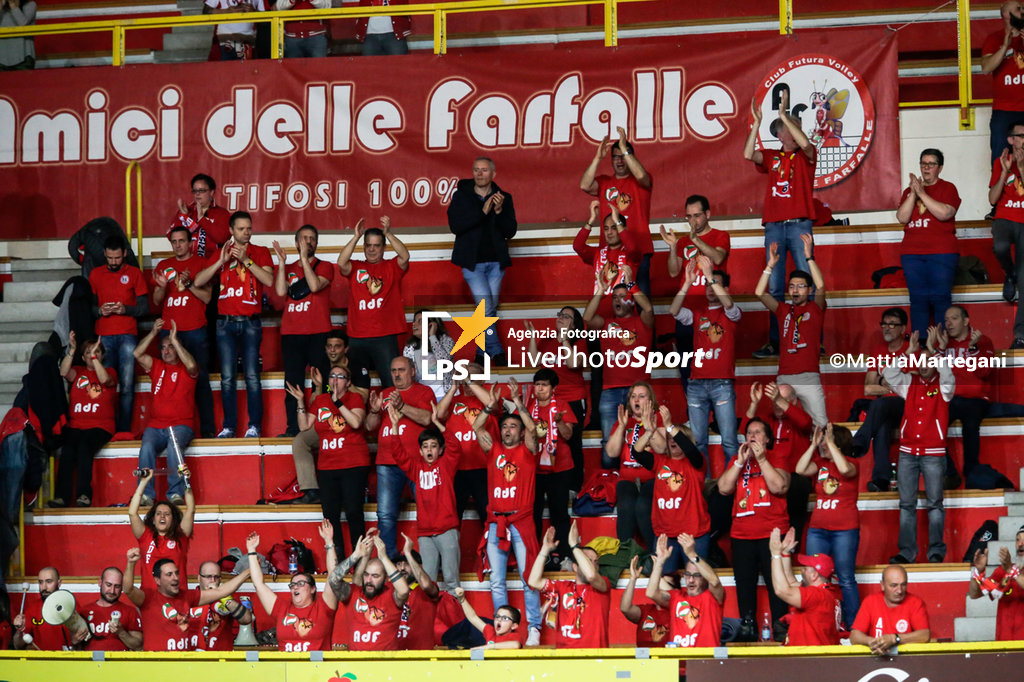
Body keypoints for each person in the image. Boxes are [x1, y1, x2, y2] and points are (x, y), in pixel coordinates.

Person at [744, 88, 817, 358]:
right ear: (780, 134)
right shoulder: (773, 156)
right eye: (790, 127)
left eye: (797, 127)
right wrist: (757, 123)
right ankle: (777, 341)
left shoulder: (806, 155)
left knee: (807, 283)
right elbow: (748, 154)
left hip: (799, 225)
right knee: (775, 286)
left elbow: (807, 144)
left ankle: (810, 338)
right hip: (774, 225)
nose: (797, 131)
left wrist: (785, 115)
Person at [472, 381, 542, 646]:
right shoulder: (494, 449)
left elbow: (534, 429)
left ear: (521, 431)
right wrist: (490, 407)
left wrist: (520, 404)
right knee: (497, 582)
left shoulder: (528, 450)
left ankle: (534, 627)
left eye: (513, 426)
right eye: (504, 426)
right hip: (496, 522)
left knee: (529, 579)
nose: (507, 430)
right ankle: (501, 631)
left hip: (521, 521)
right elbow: (477, 427)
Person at [195, 211, 274, 438]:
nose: (246, 232)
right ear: (231, 231)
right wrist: (221, 261)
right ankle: (229, 427)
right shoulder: (222, 253)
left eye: (248, 228)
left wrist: (245, 260)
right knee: (227, 378)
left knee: (252, 377)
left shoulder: (260, 252)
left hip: (250, 322)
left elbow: (269, 280)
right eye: (241, 228)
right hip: (225, 324)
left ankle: (254, 427)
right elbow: (199, 281)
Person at [883, 329, 955, 564]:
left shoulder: (944, 387)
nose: (924, 365)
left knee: (935, 504)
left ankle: (936, 552)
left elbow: (948, 375)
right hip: (907, 453)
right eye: (921, 361)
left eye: (929, 361)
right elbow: (888, 373)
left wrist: (934, 351)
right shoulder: (909, 383)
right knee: (906, 504)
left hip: (933, 453)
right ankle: (907, 553)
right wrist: (908, 351)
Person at [717, 417, 790, 640]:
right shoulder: (736, 460)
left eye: (758, 432)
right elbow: (722, 489)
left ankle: (780, 626)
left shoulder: (777, 456)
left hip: (773, 533)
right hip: (742, 533)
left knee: (777, 583)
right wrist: (739, 463)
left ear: (767, 439)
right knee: (745, 586)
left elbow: (780, 486)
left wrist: (762, 460)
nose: (752, 436)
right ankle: (747, 629)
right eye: (749, 432)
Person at [286, 364, 368, 556]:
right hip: (327, 466)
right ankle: (337, 558)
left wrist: (338, 402)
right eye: (332, 376)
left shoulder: (355, 398)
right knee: (330, 516)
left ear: (348, 382)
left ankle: (360, 557)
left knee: (354, 512)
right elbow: (305, 425)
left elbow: (356, 422)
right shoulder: (321, 400)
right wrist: (300, 402)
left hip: (353, 464)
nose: (335, 380)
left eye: (340, 376)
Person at [669, 255, 740, 469]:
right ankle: (703, 487)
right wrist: (687, 283)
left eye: (715, 284)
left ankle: (733, 489)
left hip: (722, 385)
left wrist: (710, 275)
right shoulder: (698, 315)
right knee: (698, 443)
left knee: (729, 442)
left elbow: (728, 303)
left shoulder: (732, 313)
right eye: (708, 284)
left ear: (725, 287)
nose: (710, 287)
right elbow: (673, 311)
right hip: (696, 384)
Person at [288, 331, 371, 505]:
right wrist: (318, 387)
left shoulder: (357, 366)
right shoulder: (320, 366)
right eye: (329, 346)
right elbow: (314, 404)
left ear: (345, 348)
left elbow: (363, 398)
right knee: (300, 440)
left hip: (350, 425)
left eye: (337, 346)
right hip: (327, 424)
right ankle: (311, 490)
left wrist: (343, 382)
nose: (332, 350)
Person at [447, 157, 517, 363]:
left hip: (496, 262)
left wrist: (498, 212)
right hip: (472, 263)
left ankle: (480, 352)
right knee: (486, 307)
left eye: (484, 170)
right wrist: (482, 212)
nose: (479, 173)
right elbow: (455, 226)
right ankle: (496, 351)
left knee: (489, 308)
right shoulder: (461, 197)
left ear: (493, 174)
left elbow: (510, 231)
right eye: (476, 169)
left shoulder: (504, 198)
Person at [365, 356, 435, 557]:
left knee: (428, 511)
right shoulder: (385, 393)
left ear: (412, 371)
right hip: (387, 462)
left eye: (401, 370)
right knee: (385, 515)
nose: (396, 374)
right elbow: (370, 426)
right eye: (394, 370)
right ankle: (386, 562)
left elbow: (428, 419)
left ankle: (428, 558)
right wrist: (374, 411)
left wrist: (402, 406)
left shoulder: (424, 391)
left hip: (418, 462)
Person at [754, 233, 828, 425]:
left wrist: (809, 257)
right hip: (784, 377)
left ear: (809, 290)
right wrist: (770, 266)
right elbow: (759, 292)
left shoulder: (815, 308)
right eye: (792, 286)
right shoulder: (783, 309)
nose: (795, 290)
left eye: (801, 286)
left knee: (819, 425)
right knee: (783, 425)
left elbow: (821, 286)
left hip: (809, 377)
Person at [388, 403, 461, 594]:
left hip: (447, 530)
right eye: (425, 446)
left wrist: (437, 423)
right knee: (427, 581)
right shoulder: (416, 468)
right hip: (425, 533)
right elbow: (398, 454)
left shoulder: (446, 465)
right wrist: (395, 427)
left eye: (434, 446)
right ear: (420, 451)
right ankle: (430, 622)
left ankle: (455, 620)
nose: (429, 450)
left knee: (452, 580)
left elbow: (455, 445)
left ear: (440, 450)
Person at [584, 280, 655, 469]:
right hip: (610, 392)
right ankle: (609, 483)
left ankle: (640, 479)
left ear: (632, 300)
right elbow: (588, 317)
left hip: (639, 392)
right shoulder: (606, 324)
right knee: (609, 441)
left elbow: (647, 309)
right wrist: (600, 290)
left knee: (644, 436)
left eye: (623, 296)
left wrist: (633, 287)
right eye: (615, 297)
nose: (618, 300)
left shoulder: (642, 321)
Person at [662, 195, 731, 388]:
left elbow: (717, 258)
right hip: (688, 312)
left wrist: (696, 241)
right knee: (686, 365)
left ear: (708, 214)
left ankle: (714, 416)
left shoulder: (720, 235)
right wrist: (674, 246)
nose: (693, 221)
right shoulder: (684, 242)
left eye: (697, 215)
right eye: (689, 216)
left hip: (713, 313)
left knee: (713, 364)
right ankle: (692, 416)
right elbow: (673, 271)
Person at [794, 424, 860, 629]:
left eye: (825, 440)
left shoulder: (852, 463)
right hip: (818, 531)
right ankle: (820, 622)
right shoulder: (820, 464)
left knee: (846, 577)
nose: (822, 444)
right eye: (822, 440)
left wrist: (831, 443)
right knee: (815, 577)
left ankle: (853, 626)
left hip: (845, 530)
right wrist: (813, 445)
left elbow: (844, 470)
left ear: (837, 441)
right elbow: (799, 469)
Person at [153, 226, 216, 438]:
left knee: (201, 381)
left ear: (190, 242)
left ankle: (207, 433)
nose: (178, 245)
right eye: (174, 242)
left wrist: (187, 284)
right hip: (169, 331)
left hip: (195, 330)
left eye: (181, 241)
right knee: (169, 384)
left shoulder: (201, 263)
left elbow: (207, 298)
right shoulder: (164, 265)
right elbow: (156, 300)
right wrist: (162, 287)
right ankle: (167, 428)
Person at [274, 224, 335, 437]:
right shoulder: (288, 267)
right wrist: (282, 264)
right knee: (292, 383)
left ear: (317, 243)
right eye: (304, 238)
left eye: (312, 239)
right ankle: (293, 428)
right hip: (291, 333)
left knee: (324, 381)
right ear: (296, 242)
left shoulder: (325, 265)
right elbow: (281, 291)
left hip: (319, 332)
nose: (308, 242)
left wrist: (303, 260)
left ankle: (325, 424)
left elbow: (315, 285)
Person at [123, 549, 249, 652]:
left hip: (184, 665)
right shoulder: (148, 598)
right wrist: (131, 563)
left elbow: (220, 592)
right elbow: (128, 589)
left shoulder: (187, 596)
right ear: (157, 580)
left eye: (177, 573)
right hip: (158, 666)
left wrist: (248, 572)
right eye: (169, 574)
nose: (176, 578)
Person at [631, 405, 710, 566]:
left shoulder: (696, 462)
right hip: (665, 535)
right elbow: (637, 453)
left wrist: (669, 426)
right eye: (669, 438)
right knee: (664, 580)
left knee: (696, 577)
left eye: (676, 437)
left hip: (694, 534)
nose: (672, 440)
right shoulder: (661, 461)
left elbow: (690, 449)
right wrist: (649, 432)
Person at [580, 126, 654, 295]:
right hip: (610, 251)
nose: (620, 161)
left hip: (638, 251)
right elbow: (584, 185)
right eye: (615, 158)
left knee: (640, 302)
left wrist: (625, 150)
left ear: (631, 158)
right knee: (611, 301)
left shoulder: (641, 180)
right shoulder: (605, 182)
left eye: (623, 157)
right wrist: (598, 157)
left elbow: (642, 177)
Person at [132, 320, 200, 505]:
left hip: (180, 424)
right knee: (146, 447)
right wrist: (154, 332)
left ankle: (176, 494)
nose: (167, 351)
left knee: (174, 446)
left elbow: (193, 366)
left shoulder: (186, 368)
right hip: (156, 425)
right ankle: (146, 495)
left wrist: (174, 340)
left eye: (170, 347)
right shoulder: (156, 366)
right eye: (163, 348)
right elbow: (137, 353)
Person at [338, 217, 410, 389]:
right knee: (356, 386)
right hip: (357, 336)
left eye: (376, 245)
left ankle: (390, 416)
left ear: (384, 247)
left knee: (390, 384)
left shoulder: (392, 267)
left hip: (384, 336)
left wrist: (389, 234)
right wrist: (355, 237)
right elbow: (341, 262)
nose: (371, 249)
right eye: (368, 245)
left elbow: (405, 256)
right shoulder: (355, 267)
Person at [896, 149, 961, 337]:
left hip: (942, 252)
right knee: (918, 300)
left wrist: (921, 193)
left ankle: (942, 344)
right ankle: (921, 345)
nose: (926, 168)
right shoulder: (909, 192)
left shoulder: (948, 188)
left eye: (931, 164)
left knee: (941, 298)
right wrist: (913, 194)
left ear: (939, 168)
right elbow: (902, 217)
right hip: (912, 253)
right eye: (923, 163)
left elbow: (945, 213)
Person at [89, 235, 149, 435]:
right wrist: (99, 311)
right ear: (104, 255)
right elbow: (88, 307)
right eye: (110, 258)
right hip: (103, 336)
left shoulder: (134, 273)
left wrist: (126, 310)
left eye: (117, 258)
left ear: (124, 254)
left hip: (127, 335)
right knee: (105, 385)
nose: (114, 262)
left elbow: (144, 307)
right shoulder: (95, 274)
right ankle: (106, 429)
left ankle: (123, 431)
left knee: (126, 385)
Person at [247, 522, 338, 652]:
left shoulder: (323, 608)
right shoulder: (281, 609)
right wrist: (251, 551)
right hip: (286, 670)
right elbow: (258, 584)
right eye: (293, 585)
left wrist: (329, 542)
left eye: (301, 584)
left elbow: (334, 577)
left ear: (313, 589)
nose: (295, 588)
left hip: (317, 670)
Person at [931, 305, 995, 486]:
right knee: (932, 424)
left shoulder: (983, 341)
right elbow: (933, 374)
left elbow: (984, 372)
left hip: (975, 400)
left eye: (954, 318)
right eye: (946, 319)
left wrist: (973, 348)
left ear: (966, 321)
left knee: (970, 420)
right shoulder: (944, 343)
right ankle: (950, 473)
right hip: (950, 399)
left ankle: (972, 470)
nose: (948, 323)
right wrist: (940, 349)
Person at [526, 307, 588, 489]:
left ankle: (575, 487)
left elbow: (573, 363)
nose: (561, 318)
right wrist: (532, 337)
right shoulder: (547, 340)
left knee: (572, 443)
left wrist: (565, 341)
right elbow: (534, 361)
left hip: (572, 399)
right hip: (548, 400)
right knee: (544, 439)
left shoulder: (580, 342)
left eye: (566, 316)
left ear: (574, 323)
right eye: (560, 315)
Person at [52, 333, 115, 507]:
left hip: (100, 427)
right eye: (87, 352)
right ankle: (62, 497)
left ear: (102, 355)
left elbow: (104, 380)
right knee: (68, 450)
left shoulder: (110, 372)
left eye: (96, 352)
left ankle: (84, 495)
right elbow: (63, 372)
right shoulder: (79, 372)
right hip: (76, 425)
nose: (92, 354)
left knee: (84, 447)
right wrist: (71, 349)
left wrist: (94, 357)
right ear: (82, 357)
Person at [851, 308, 909, 492]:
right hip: (884, 408)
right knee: (882, 425)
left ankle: (859, 441)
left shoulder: (911, 350)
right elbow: (868, 388)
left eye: (892, 324)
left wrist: (882, 381)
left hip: (907, 406)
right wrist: (892, 384)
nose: (887, 328)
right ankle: (881, 479)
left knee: (879, 403)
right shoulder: (878, 351)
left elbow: (909, 389)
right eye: (884, 323)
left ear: (903, 328)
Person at [528, 521, 611, 648]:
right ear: (575, 567)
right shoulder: (562, 587)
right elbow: (534, 581)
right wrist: (545, 549)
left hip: (595, 659)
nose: (593, 565)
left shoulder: (603, 583)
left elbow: (591, 575)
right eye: (588, 561)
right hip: (565, 658)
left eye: (596, 562)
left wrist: (574, 545)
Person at [606, 383, 666, 551]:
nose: (637, 400)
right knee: (626, 505)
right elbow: (611, 452)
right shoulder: (624, 421)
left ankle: (654, 552)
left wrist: (649, 427)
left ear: (651, 400)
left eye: (642, 396)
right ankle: (625, 553)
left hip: (653, 477)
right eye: (633, 396)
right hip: (627, 478)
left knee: (643, 506)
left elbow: (662, 448)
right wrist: (621, 426)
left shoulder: (658, 419)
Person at [435, 364, 495, 531]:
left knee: (488, 515)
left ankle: (490, 555)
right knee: (453, 517)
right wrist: (454, 387)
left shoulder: (490, 397)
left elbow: (492, 403)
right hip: (457, 468)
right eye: (465, 376)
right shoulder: (454, 400)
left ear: (482, 378)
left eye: (473, 376)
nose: (467, 380)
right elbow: (438, 414)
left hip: (484, 467)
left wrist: (469, 380)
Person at [527, 368, 576, 568]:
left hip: (560, 468)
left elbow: (568, 435)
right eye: (537, 384)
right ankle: (536, 555)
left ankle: (563, 555)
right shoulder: (529, 407)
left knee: (559, 514)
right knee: (533, 514)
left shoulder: (562, 406)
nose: (540, 388)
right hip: (534, 469)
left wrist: (559, 421)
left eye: (544, 385)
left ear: (553, 388)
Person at [329, 532, 410, 651]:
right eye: (366, 575)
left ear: (386, 578)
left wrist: (384, 557)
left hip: (385, 665)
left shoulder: (391, 595)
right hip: (356, 665)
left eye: (375, 576)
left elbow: (404, 591)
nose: (369, 580)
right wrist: (356, 555)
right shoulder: (354, 593)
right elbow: (333, 580)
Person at [646, 532, 725, 648]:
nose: (691, 580)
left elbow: (714, 581)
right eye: (687, 575)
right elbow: (651, 593)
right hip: (679, 663)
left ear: (704, 577)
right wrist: (660, 562)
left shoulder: (712, 597)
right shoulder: (676, 597)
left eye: (696, 575)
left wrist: (692, 554)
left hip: (705, 662)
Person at [768, 528, 841, 646]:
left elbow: (782, 590)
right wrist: (785, 553)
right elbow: (790, 583)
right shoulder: (827, 592)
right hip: (814, 657)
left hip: (809, 660)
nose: (802, 570)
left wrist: (775, 555)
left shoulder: (817, 595)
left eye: (805, 568)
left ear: (814, 575)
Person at [128, 470, 196, 588]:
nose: (162, 516)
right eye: (158, 513)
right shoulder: (145, 536)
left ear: (173, 519)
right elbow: (132, 512)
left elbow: (190, 510)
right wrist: (143, 482)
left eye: (167, 514)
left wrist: (186, 481)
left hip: (177, 598)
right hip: (150, 600)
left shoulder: (181, 536)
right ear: (153, 519)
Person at [991, 120, 1024, 346]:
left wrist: (1021, 167)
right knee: (1000, 247)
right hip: (1004, 218)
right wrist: (1004, 172)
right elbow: (992, 199)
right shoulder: (1000, 161)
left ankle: (1020, 336)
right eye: (1021, 136)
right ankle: (1009, 273)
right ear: (1011, 139)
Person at [851, 565, 930, 654]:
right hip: (875, 657)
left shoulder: (915, 603)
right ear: (882, 585)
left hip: (906, 659)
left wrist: (894, 639)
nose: (899, 590)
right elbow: (854, 636)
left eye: (903, 585)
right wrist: (872, 642)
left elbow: (925, 635)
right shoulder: (870, 601)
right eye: (894, 585)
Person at [981, 2, 1024, 164]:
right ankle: (998, 187)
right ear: (1006, 14)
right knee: (1000, 156)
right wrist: (1005, 47)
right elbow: (986, 68)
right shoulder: (995, 38)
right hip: (1004, 109)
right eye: (1019, 9)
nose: (1023, 12)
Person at [573, 199, 642, 298]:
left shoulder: (630, 254)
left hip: (624, 309)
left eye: (614, 228)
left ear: (622, 229)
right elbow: (578, 246)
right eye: (606, 228)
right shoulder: (597, 253)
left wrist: (617, 221)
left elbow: (633, 248)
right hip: (598, 308)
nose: (609, 232)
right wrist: (592, 219)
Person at [969, 527, 1024, 639]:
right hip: (1005, 642)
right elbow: (974, 594)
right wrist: (978, 571)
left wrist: (1011, 571)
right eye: (1018, 540)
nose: (1020, 544)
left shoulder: (1008, 569)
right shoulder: (1003, 570)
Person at [393, 533, 441, 650]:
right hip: (393, 653)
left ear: (418, 565)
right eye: (399, 564)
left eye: (407, 563)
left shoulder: (426, 589)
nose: (402, 568)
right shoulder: (389, 590)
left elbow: (425, 584)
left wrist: (408, 553)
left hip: (420, 655)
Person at [13, 567, 80, 650]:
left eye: (49, 582)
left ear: (59, 583)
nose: (44, 587)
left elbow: (82, 640)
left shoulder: (71, 604)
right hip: (41, 661)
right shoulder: (32, 609)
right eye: (40, 582)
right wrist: (19, 630)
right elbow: (17, 645)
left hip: (68, 659)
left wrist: (76, 641)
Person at [169, 173, 231, 259]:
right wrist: (183, 218)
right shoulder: (187, 211)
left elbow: (221, 238)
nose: (197, 194)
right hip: (189, 265)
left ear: (211, 192)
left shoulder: (221, 213)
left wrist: (202, 219)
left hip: (213, 266)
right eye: (195, 191)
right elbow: (171, 237)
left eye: (201, 191)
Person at [81, 567, 143, 651]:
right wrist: (75, 639)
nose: (112, 591)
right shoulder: (84, 611)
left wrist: (121, 633)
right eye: (108, 585)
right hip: (89, 662)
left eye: (117, 586)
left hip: (120, 663)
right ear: (100, 582)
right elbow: (74, 645)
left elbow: (138, 646)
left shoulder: (130, 611)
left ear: (122, 587)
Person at [197, 560, 253, 650]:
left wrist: (223, 596)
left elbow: (246, 619)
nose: (212, 580)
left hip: (223, 658)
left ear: (220, 579)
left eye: (216, 577)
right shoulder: (191, 598)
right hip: (195, 658)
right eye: (208, 577)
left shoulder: (228, 597)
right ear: (199, 578)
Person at [404, 309, 455, 400]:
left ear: (431, 325)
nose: (414, 324)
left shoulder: (446, 341)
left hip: (445, 394)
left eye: (420, 321)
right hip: (423, 395)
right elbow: (409, 374)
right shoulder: (410, 347)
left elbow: (445, 363)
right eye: (414, 321)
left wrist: (432, 336)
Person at [621, 555, 670, 648]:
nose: (656, 586)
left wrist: (657, 571)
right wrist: (633, 578)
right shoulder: (646, 610)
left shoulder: (676, 610)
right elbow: (625, 608)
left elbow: (657, 593)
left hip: (669, 661)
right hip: (644, 660)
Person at [453, 587, 521, 649]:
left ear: (513, 626)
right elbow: (473, 617)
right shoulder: (490, 631)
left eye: (505, 618)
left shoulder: (514, 636)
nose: (499, 620)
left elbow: (515, 645)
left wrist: (488, 647)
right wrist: (462, 599)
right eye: (497, 617)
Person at [0, 0, 36, 70]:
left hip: (24, 58)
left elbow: (23, 24)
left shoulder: (30, 5)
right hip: (1, 59)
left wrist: (12, 4)